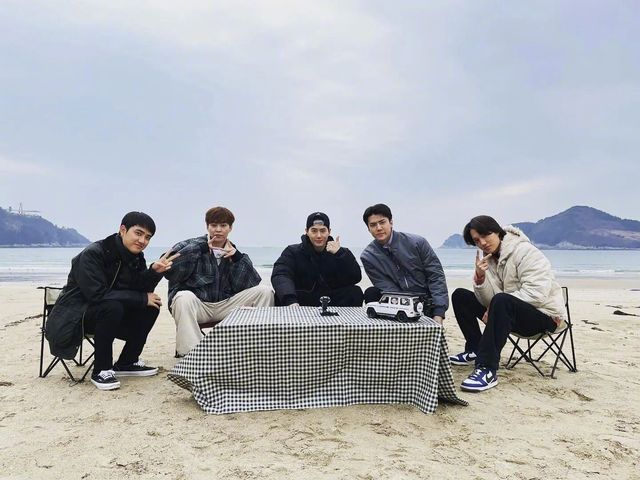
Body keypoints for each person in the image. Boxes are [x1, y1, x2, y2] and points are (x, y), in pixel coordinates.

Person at [46, 212, 176, 391]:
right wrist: (141, 298)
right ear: (123, 230)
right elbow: (97, 295)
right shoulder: (93, 253)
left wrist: (154, 272)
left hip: (109, 316)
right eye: (138, 233)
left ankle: (127, 362)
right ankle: (102, 370)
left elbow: (140, 290)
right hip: (75, 317)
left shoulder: (136, 256)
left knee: (150, 307)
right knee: (112, 307)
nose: (142, 241)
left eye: (147, 237)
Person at [449, 215, 566, 392]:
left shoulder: (526, 252)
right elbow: (488, 299)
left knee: (502, 300)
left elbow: (537, 294)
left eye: (485, 235)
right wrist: (480, 277)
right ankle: (474, 349)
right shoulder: (489, 259)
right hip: (507, 313)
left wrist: (494, 305)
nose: (482, 243)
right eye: (477, 240)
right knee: (461, 296)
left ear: (497, 231)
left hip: (545, 317)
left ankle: (487, 369)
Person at [165, 206, 274, 357]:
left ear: (230, 228)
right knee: (183, 297)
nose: (218, 230)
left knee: (265, 291)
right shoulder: (189, 245)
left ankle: (258, 348)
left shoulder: (234, 251)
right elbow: (169, 269)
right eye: (214, 225)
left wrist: (237, 258)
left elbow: (250, 284)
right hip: (199, 306)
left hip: (226, 305)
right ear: (207, 226)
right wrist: (200, 249)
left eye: (223, 225)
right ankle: (192, 355)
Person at [360, 203, 448, 323]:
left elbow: (436, 276)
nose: (379, 228)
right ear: (368, 228)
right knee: (372, 292)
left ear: (391, 222)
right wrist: (405, 306)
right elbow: (386, 286)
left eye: (382, 222)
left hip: (427, 301)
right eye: (373, 225)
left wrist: (439, 313)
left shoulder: (417, 243)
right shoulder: (368, 256)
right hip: (398, 305)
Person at [271, 212, 363, 307]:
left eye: (323, 231)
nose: (319, 235)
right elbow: (280, 274)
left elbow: (355, 277)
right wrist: (290, 300)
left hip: (331, 299)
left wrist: (340, 254)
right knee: (281, 295)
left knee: (355, 292)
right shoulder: (292, 251)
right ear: (307, 231)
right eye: (314, 231)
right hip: (302, 300)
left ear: (329, 231)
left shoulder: (341, 252)